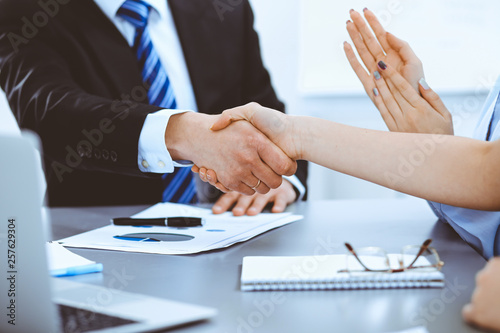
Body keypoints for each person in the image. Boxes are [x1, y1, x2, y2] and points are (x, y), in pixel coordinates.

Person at [0, 0, 308, 215]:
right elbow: (48, 112)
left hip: (231, 231)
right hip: (99, 251)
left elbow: (273, 120)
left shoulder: (225, 7)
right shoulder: (24, 11)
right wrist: (180, 133)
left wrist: (282, 181)